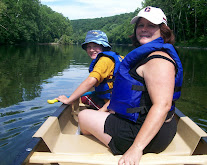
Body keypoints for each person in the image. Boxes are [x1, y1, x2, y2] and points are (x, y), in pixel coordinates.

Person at [78, 6, 183, 165]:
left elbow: (163, 105)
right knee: (102, 114)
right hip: (150, 127)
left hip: (144, 136)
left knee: (83, 116)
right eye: (140, 25)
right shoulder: (146, 56)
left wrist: (136, 148)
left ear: (163, 31)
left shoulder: (158, 60)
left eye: (151, 25)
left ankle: (108, 140)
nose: (144, 29)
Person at [56, 30, 123, 109]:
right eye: (89, 47)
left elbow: (90, 81)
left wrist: (69, 100)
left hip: (112, 104)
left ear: (103, 46)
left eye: (95, 46)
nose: (91, 50)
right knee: (83, 98)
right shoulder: (117, 57)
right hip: (118, 99)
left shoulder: (104, 61)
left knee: (82, 106)